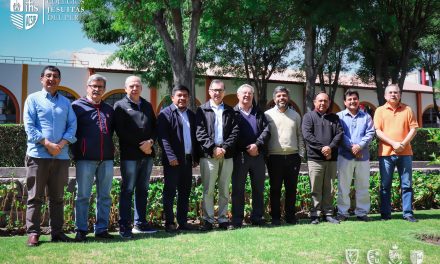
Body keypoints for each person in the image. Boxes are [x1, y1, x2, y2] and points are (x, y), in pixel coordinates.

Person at [23, 65, 77, 246]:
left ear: (59, 80)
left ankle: (57, 232)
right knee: (35, 197)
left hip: (60, 157)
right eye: (48, 76)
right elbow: (29, 126)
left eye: (55, 76)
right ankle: (33, 233)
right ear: (41, 79)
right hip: (38, 155)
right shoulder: (33, 99)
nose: (51, 79)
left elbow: (72, 126)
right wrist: (47, 143)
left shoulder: (66, 103)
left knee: (58, 197)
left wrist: (61, 145)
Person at [71, 74, 115, 242]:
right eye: (94, 86)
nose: (97, 89)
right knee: (83, 195)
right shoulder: (76, 107)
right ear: (87, 87)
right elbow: (71, 131)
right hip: (85, 159)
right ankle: (81, 229)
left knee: (104, 195)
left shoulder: (109, 109)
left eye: (100, 87)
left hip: (107, 159)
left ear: (104, 89)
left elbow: (110, 132)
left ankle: (101, 229)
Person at [114, 76, 157, 238]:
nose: (135, 88)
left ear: (141, 88)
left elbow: (155, 126)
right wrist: (142, 146)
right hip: (130, 156)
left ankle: (140, 223)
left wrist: (151, 142)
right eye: (131, 86)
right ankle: (124, 225)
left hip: (148, 155)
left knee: (143, 189)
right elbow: (121, 132)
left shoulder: (146, 105)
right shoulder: (120, 105)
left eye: (137, 85)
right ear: (125, 88)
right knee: (127, 189)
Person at [196, 79, 239, 230]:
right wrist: (213, 148)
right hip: (209, 156)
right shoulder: (201, 110)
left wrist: (224, 148)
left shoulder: (230, 110)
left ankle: (222, 220)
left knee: (224, 188)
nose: (217, 93)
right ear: (209, 91)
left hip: (226, 155)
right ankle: (208, 220)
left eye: (220, 90)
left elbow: (235, 131)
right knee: (208, 189)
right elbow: (200, 132)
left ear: (224, 92)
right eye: (214, 90)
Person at [157, 84, 199, 232]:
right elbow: (163, 138)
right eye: (179, 95)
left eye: (185, 96)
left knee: (184, 192)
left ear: (188, 98)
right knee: (170, 192)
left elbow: (195, 138)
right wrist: (170, 156)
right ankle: (169, 222)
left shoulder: (191, 115)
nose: (182, 98)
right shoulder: (165, 114)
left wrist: (196, 157)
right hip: (173, 161)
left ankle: (182, 222)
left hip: (187, 160)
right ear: (172, 97)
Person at [374, 84, 418, 222]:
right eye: (391, 92)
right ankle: (386, 214)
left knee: (406, 185)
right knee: (385, 185)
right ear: (385, 95)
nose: (393, 94)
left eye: (396, 92)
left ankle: (408, 213)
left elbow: (413, 129)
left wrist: (403, 144)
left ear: (400, 95)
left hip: (405, 153)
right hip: (386, 154)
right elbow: (378, 131)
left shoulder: (408, 109)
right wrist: (393, 144)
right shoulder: (380, 111)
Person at [231, 84, 270, 228]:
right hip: (239, 156)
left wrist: (257, 145)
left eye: (250, 93)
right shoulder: (232, 112)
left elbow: (266, 130)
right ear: (238, 95)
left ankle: (257, 217)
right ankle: (236, 220)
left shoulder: (259, 112)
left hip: (258, 155)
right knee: (238, 189)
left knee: (258, 188)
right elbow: (231, 133)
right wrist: (246, 147)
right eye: (244, 93)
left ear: (253, 96)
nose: (247, 95)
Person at [264, 86, 304, 225]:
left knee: (291, 189)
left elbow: (299, 135)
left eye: (284, 95)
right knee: (275, 189)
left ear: (288, 98)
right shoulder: (267, 115)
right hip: (274, 157)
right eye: (279, 95)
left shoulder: (296, 115)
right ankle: (275, 218)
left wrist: (301, 154)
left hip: (293, 157)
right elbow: (264, 136)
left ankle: (290, 217)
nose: (282, 98)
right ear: (274, 98)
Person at [302, 91, 343, 224]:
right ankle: (315, 214)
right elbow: (307, 135)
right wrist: (322, 148)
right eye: (320, 100)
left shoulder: (335, 118)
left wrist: (330, 147)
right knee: (315, 188)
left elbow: (339, 134)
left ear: (329, 103)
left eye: (325, 101)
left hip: (331, 159)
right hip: (315, 159)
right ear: (315, 102)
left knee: (329, 188)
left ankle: (329, 213)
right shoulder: (308, 117)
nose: (322, 103)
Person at [336, 90, 375, 222]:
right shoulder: (339, 116)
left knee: (363, 185)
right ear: (345, 102)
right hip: (344, 156)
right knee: (343, 186)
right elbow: (339, 134)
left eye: (355, 99)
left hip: (362, 156)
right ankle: (343, 212)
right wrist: (353, 147)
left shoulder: (366, 117)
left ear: (358, 100)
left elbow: (370, 133)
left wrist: (360, 146)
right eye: (350, 99)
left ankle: (362, 212)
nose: (352, 101)